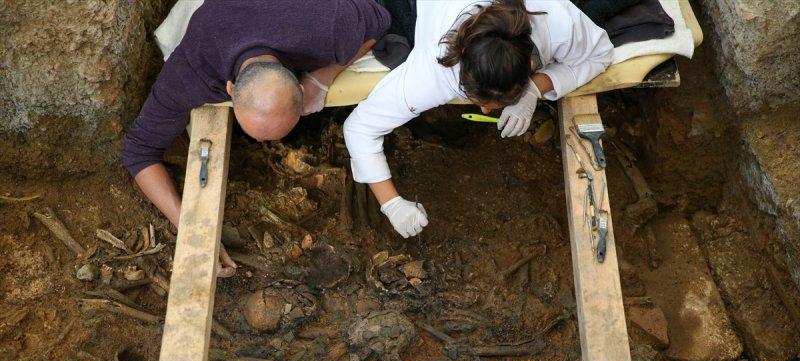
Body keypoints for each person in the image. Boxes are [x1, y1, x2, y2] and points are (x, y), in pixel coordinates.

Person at [123, 0, 391, 275]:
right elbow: (139, 150)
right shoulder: (193, 68)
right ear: (229, 88)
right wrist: (190, 228)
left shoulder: (325, 25)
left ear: (299, 85)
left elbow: (380, 20)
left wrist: (322, 79)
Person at [344, 0, 614, 238]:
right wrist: (391, 203)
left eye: (501, 101)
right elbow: (360, 128)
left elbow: (600, 53)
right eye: (478, 100)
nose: (486, 112)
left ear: (530, 64)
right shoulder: (433, 70)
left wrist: (536, 88)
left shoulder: (557, 20)